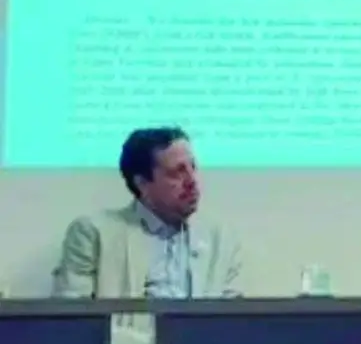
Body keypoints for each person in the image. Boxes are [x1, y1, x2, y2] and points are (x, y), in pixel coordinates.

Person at [51, 126, 244, 299]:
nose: (192, 181)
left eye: (192, 167)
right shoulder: (93, 234)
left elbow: (234, 317)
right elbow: (72, 318)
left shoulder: (220, 239)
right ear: (142, 183)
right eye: (177, 172)